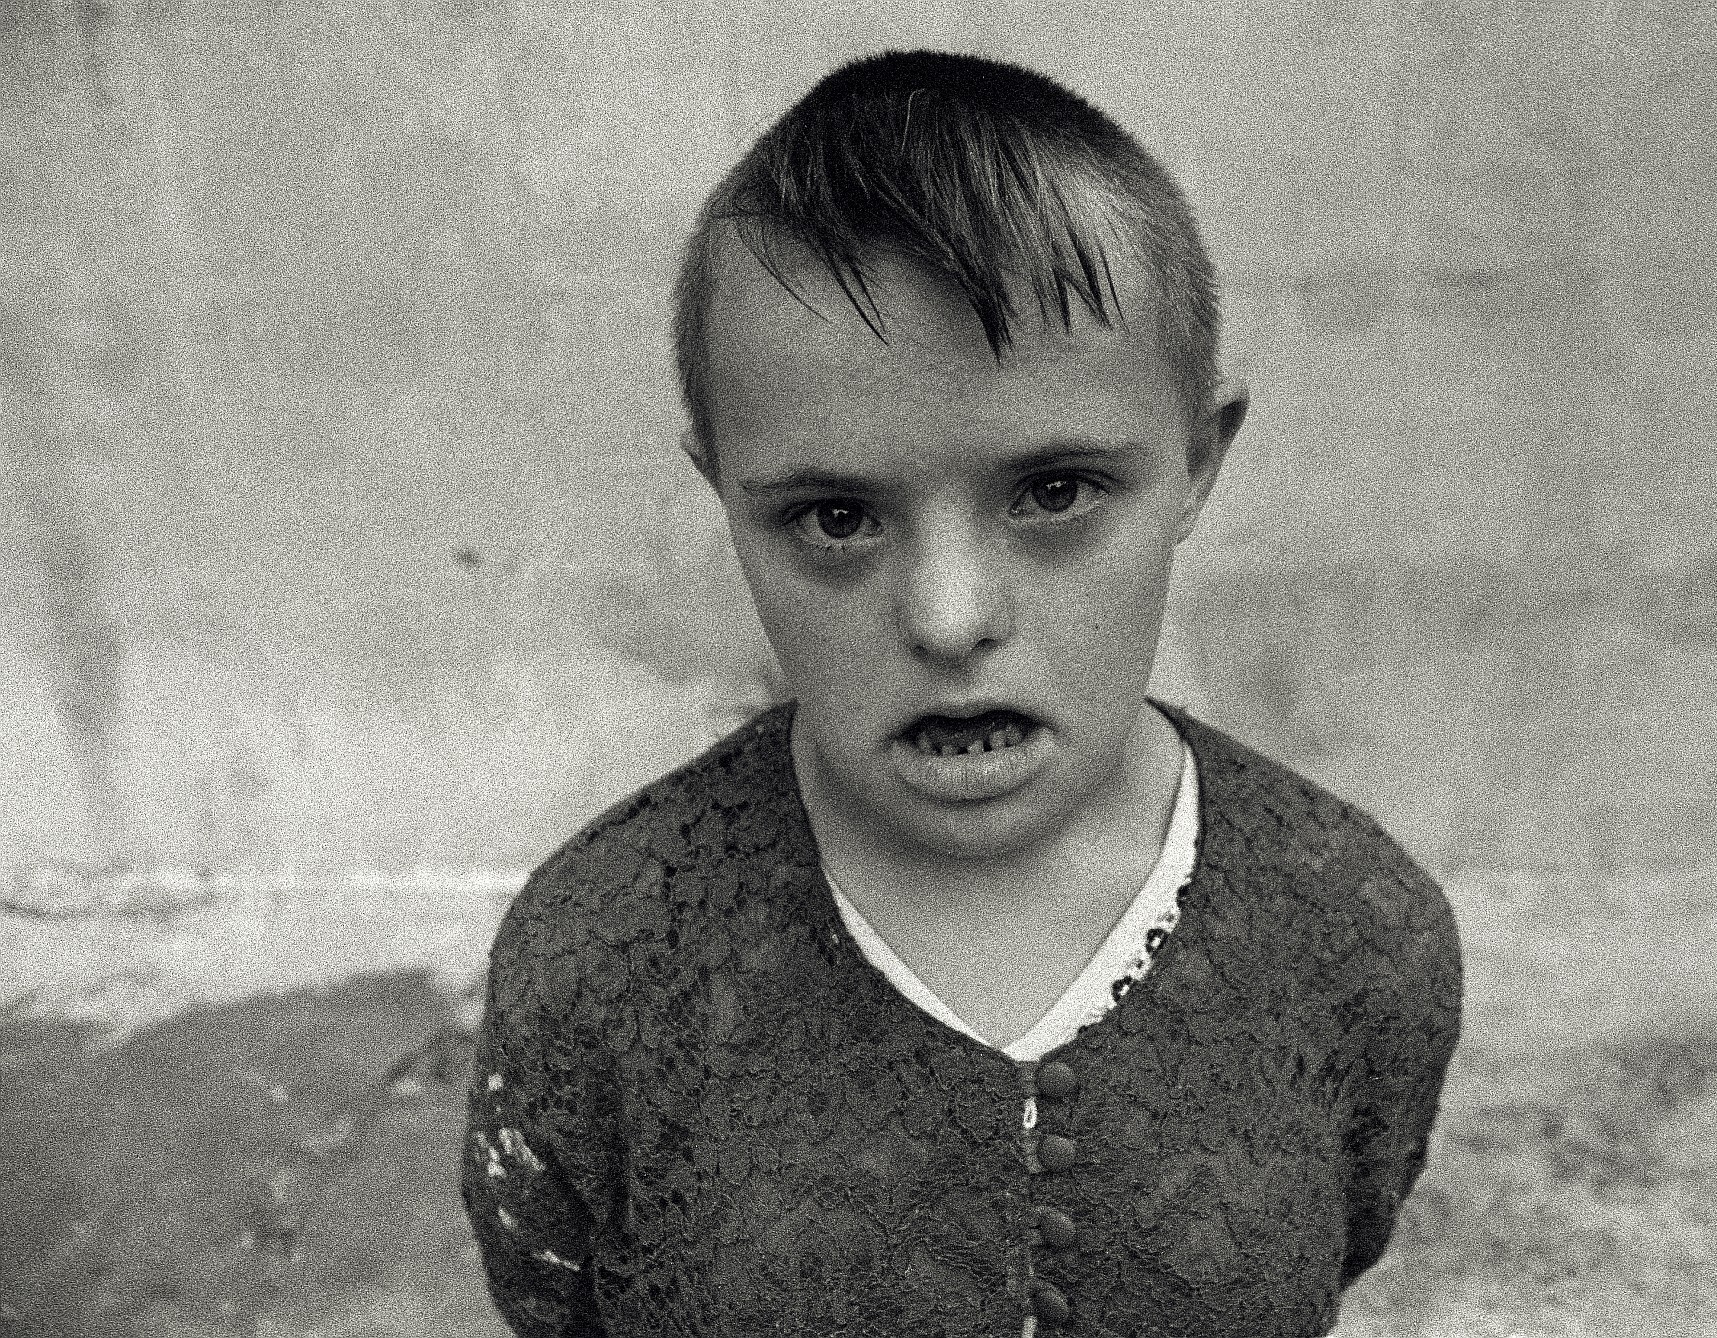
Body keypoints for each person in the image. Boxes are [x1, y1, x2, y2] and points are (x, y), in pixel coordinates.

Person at [461, 48, 1462, 1338]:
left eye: (1054, 492)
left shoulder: (1354, 936)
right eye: (835, 516)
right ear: (724, 494)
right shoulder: (599, 965)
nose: (947, 620)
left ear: (1198, 461)